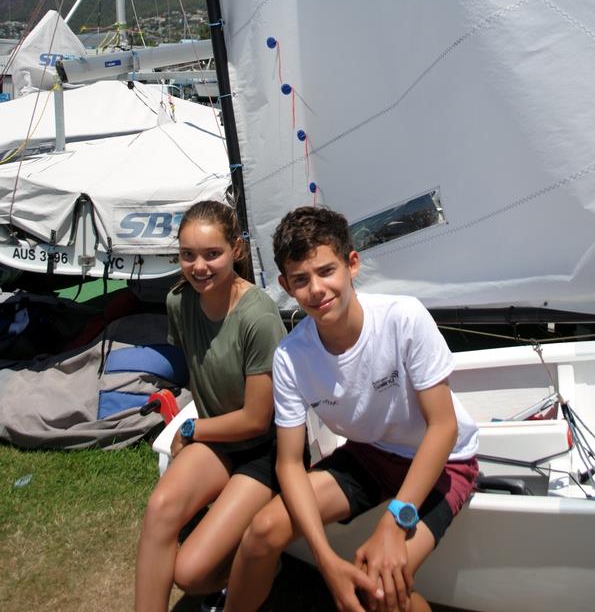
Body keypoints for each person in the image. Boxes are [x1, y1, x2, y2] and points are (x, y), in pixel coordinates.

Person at [225, 206, 479, 612]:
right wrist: (325, 559)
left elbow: (443, 428)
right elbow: (289, 463)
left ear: (352, 264)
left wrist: (395, 519)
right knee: (261, 533)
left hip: (444, 464)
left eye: (327, 271)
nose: (316, 289)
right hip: (371, 454)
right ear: (285, 286)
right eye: (301, 280)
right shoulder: (291, 357)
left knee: (380, 589)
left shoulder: (403, 318)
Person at [134, 200, 286, 612]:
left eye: (212, 254)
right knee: (161, 508)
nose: (199, 266)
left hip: (262, 451)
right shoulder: (178, 303)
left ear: (236, 249)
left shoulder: (259, 316)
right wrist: (198, 433)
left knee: (191, 574)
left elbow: (257, 420)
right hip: (217, 438)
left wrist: (190, 432)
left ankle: (262, 566)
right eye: (188, 255)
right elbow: (199, 375)